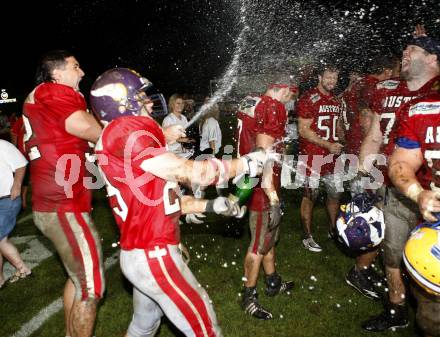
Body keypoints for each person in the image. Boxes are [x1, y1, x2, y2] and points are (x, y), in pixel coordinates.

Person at [90, 67, 275, 337]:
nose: (150, 102)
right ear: (121, 102)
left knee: (145, 325)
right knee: (205, 328)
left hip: (140, 252)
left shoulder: (118, 136)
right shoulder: (127, 131)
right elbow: (194, 172)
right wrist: (247, 162)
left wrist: (210, 205)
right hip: (153, 253)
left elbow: (162, 199)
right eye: (141, 97)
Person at [359, 35, 440, 332]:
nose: (405, 52)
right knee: (392, 254)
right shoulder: (388, 91)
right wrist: (362, 175)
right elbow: (375, 136)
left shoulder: (434, 93)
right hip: (397, 186)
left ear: (433, 58)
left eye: (413, 49)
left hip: (431, 191)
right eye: (403, 48)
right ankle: (396, 309)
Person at [23, 50, 104, 337]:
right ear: (56, 73)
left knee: (76, 278)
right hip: (62, 204)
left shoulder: (45, 95)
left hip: (58, 201)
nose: (82, 72)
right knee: (91, 287)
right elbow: (86, 129)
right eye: (75, 66)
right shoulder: (52, 91)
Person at [236, 83, 295, 320]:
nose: (291, 99)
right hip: (262, 184)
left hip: (249, 178)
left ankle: (272, 281)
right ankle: (248, 295)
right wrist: (272, 197)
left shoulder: (251, 99)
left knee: (269, 238)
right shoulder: (273, 106)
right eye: (291, 94)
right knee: (258, 244)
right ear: (283, 89)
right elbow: (264, 154)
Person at [340, 55, 396, 299]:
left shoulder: (359, 85)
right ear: (385, 70)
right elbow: (366, 122)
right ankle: (360, 271)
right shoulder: (372, 87)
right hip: (367, 158)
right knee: (370, 216)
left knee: (369, 212)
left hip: (357, 151)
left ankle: (366, 267)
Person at [388, 91, 440, 337]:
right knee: (431, 317)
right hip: (436, 227)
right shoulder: (423, 109)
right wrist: (418, 193)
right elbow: (401, 163)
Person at [297, 64, 344, 252]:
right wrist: (328, 145)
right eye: (328, 77)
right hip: (312, 155)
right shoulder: (309, 98)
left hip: (332, 156)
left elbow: (337, 127)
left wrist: (344, 139)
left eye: (335, 78)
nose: (332, 81)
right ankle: (306, 236)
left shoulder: (336, 100)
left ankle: (333, 230)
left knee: (334, 194)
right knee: (310, 195)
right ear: (319, 77)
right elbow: (303, 130)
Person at [0, 140, 31, 288]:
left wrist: (17, 185)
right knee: (2, 240)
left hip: (7, 200)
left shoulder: (2, 145)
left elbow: (20, 164)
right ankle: (22, 269)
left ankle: (0, 279)